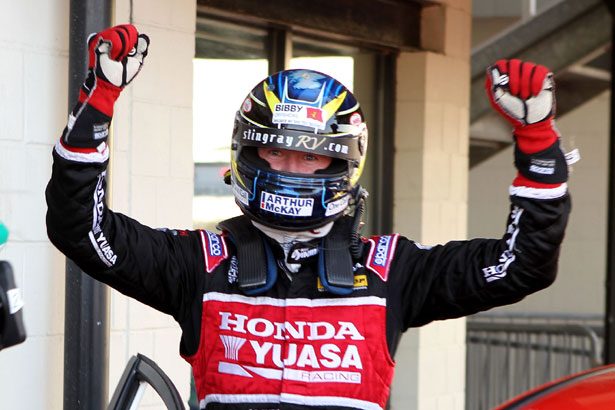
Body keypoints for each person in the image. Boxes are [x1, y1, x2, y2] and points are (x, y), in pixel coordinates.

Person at [46, 25, 571, 410]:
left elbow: (521, 264)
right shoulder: (201, 262)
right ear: (247, 155)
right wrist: (98, 103)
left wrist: (537, 143)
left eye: (311, 156)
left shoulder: (392, 271)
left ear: (342, 163)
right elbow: (80, 230)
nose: (290, 168)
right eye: (275, 152)